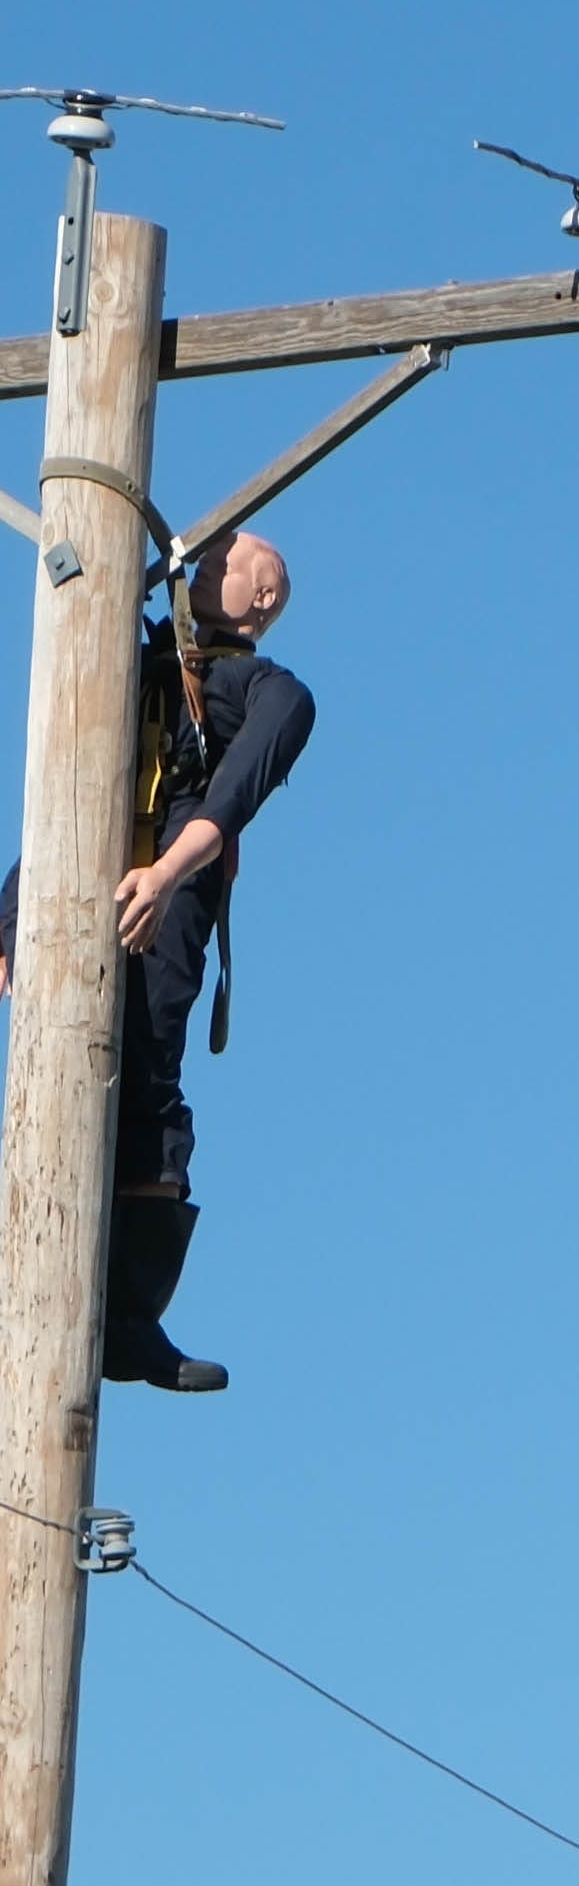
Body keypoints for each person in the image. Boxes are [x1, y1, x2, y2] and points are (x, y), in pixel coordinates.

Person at [0, 533, 315, 1396]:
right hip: (81, 878)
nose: (201, 568)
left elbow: (259, 758)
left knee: (142, 1069)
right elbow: (65, 791)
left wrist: (174, 868)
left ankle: (127, 1315)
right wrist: (11, 918)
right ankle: (38, 1284)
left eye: (223, 565)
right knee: (52, 1068)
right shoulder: (125, 662)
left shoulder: (252, 687)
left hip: (163, 892)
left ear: (260, 600)